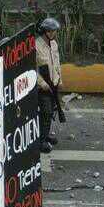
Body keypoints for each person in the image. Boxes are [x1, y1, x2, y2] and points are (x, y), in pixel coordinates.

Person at [36, 17, 63, 154]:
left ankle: (46, 135)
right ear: (45, 31)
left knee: (52, 111)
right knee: (45, 113)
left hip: (54, 83)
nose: (54, 34)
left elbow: (57, 64)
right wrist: (42, 83)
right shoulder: (36, 46)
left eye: (54, 31)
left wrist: (59, 80)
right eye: (52, 31)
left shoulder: (54, 45)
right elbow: (33, 69)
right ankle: (41, 141)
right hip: (44, 87)